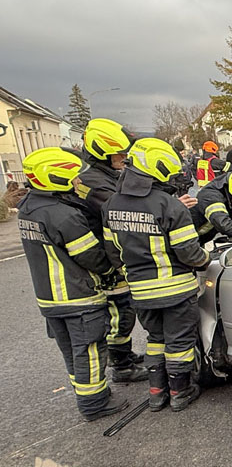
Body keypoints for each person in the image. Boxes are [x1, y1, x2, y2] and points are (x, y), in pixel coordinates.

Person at [18, 148, 129, 421]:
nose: (78, 182)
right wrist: (112, 271)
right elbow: (90, 256)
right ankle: (95, 402)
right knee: (89, 349)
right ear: (55, 178)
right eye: (72, 178)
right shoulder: (64, 216)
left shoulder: (29, 207)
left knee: (72, 352)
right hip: (77, 295)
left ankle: (84, 392)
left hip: (49, 299)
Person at [103, 138, 210, 412]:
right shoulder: (169, 205)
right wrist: (207, 259)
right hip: (175, 290)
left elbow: (113, 252)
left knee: (156, 340)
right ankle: (180, 392)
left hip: (140, 292)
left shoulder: (111, 204)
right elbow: (190, 253)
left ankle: (156, 392)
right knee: (180, 343)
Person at [79, 118, 149, 383]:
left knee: (124, 308)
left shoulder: (105, 175)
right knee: (121, 311)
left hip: (112, 254)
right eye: (120, 154)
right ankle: (121, 365)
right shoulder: (94, 183)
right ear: (103, 153)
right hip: (106, 259)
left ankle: (125, 354)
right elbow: (122, 210)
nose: (124, 158)